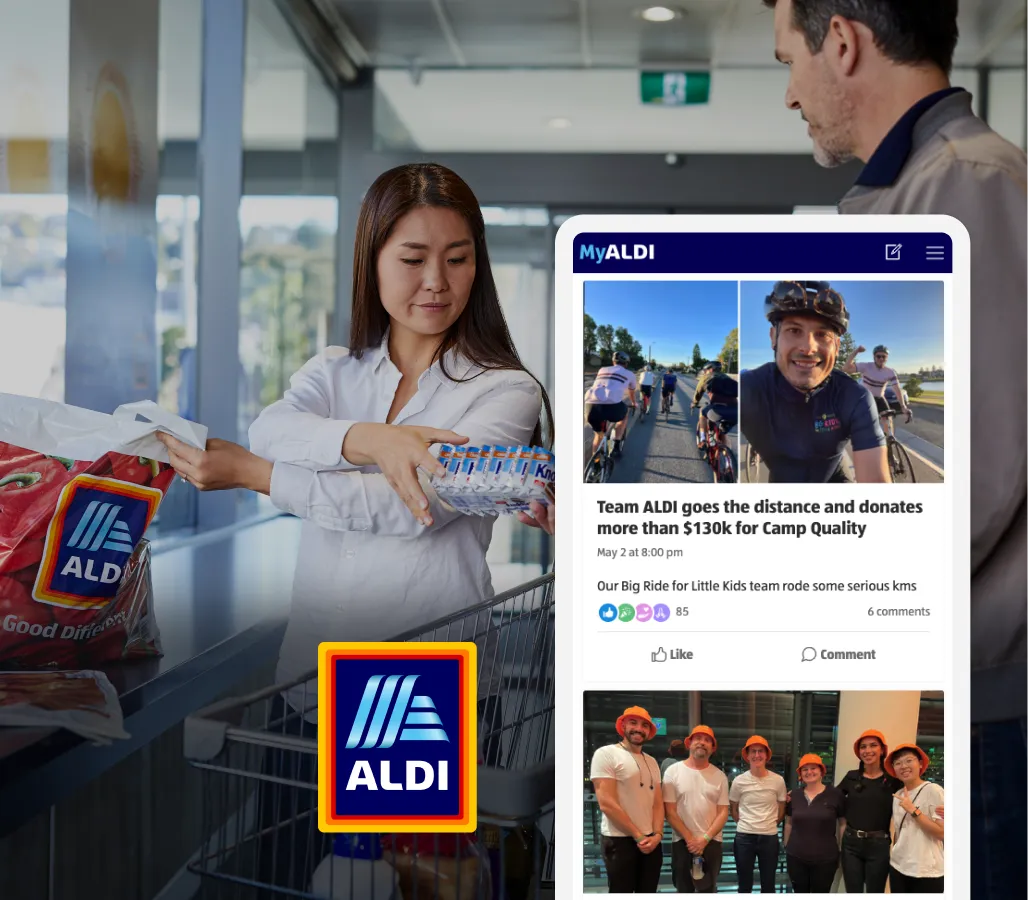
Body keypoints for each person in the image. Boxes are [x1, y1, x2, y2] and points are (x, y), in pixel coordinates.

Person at [761, 4, 1028, 887]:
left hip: (992, 697)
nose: (789, 93)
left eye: (787, 60)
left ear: (840, 43)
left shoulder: (966, 185)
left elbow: (983, 471)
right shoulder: (920, 187)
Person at [156, 162, 552, 732]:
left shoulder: (507, 390)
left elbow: (414, 508)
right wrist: (372, 440)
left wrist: (261, 476)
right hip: (308, 683)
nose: (437, 280)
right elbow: (270, 430)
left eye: (457, 259)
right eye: (413, 259)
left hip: (429, 691)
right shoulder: (335, 370)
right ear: (373, 261)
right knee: (290, 825)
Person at [739, 280, 889, 483]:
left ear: (836, 346)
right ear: (774, 337)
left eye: (822, 334)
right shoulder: (749, 388)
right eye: (794, 330)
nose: (808, 348)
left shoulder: (854, 397)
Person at [590, 706, 666, 893]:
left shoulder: (652, 761)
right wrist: (638, 836)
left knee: (648, 891)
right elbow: (606, 802)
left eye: (644, 725)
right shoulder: (606, 754)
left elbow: (657, 802)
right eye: (633, 722)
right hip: (619, 839)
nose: (639, 729)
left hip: (651, 840)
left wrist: (657, 835)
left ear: (649, 731)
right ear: (623, 725)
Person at [662, 725, 730, 893]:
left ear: (712, 748)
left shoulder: (719, 776)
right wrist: (691, 839)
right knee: (683, 888)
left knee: (708, 888)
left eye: (707, 740)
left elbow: (723, 812)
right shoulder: (673, 772)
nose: (702, 743)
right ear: (689, 743)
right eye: (698, 739)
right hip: (682, 841)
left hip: (711, 841)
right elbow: (669, 811)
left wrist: (704, 839)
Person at [836, 729, 903, 893]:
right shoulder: (851, 777)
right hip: (851, 844)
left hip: (879, 845)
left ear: (882, 750)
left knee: (876, 891)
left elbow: (912, 800)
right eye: (863, 747)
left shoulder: (893, 782)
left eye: (873, 745)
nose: (868, 751)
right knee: (853, 891)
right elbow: (832, 800)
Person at [729, 736, 787, 894]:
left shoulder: (778, 780)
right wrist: (744, 823)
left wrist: (771, 824)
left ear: (767, 755)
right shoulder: (739, 781)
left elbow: (782, 807)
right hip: (744, 837)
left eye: (760, 751)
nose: (757, 755)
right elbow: (733, 808)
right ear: (747, 756)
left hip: (769, 837)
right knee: (744, 884)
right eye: (753, 751)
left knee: (768, 885)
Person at [885, 744, 944, 893]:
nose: (903, 766)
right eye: (898, 763)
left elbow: (942, 833)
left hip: (926, 870)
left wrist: (913, 810)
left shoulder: (933, 790)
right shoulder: (897, 794)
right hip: (898, 866)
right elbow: (899, 831)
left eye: (909, 760)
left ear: (921, 764)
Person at [783, 753, 846, 893]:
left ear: (821, 771)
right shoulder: (794, 796)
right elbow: (788, 822)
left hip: (826, 859)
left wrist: (842, 850)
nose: (809, 772)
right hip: (796, 857)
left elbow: (842, 823)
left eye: (813, 768)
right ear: (800, 774)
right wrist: (787, 846)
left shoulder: (835, 795)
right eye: (805, 769)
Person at [843, 344, 912, 437]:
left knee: (888, 419)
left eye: (884, 356)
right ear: (874, 357)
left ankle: (889, 440)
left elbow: (897, 389)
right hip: (865, 398)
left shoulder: (890, 372)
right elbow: (846, 368)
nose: (881, 359)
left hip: (880, 398)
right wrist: (856, 351)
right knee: (866, 422)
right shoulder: (866, 366)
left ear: (887, 358)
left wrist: (903, 407)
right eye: (878, 356)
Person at [585, 351, 638, 457]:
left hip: (590, 406)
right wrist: (633, 403)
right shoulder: (630, 374)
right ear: (626, 363)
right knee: (624, 416)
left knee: (598, 437)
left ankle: (595, 467)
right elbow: (631, 392)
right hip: (612, 406)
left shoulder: (602, 370)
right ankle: (616, 446)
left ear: (613, 361)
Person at [691, 361, 738, 450]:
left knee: (703, 412)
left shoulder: (707, 377)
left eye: (705, 370)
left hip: (717, 411)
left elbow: (698, 393)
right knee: (723, 432)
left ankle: (703, 440)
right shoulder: (729, 378)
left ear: (711, 369)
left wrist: (694, 403)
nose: (705, 372)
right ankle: (729, 459)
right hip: (736, 413)